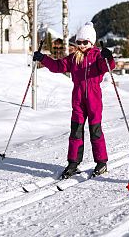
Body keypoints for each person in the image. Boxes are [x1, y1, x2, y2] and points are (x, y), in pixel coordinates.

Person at [33, 22, 115, 179]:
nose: (82, 45)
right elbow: (57, 66)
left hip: (94, 100)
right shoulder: (73, 58)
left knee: (95, 131)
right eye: (79, 42)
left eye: (85, 42)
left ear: (91, 42)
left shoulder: (97, 56)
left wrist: (108, 57)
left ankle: (101, 162)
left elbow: (108, 66)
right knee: (75, 131)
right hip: (77, 100)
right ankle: (73, 163)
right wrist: (43, 58)